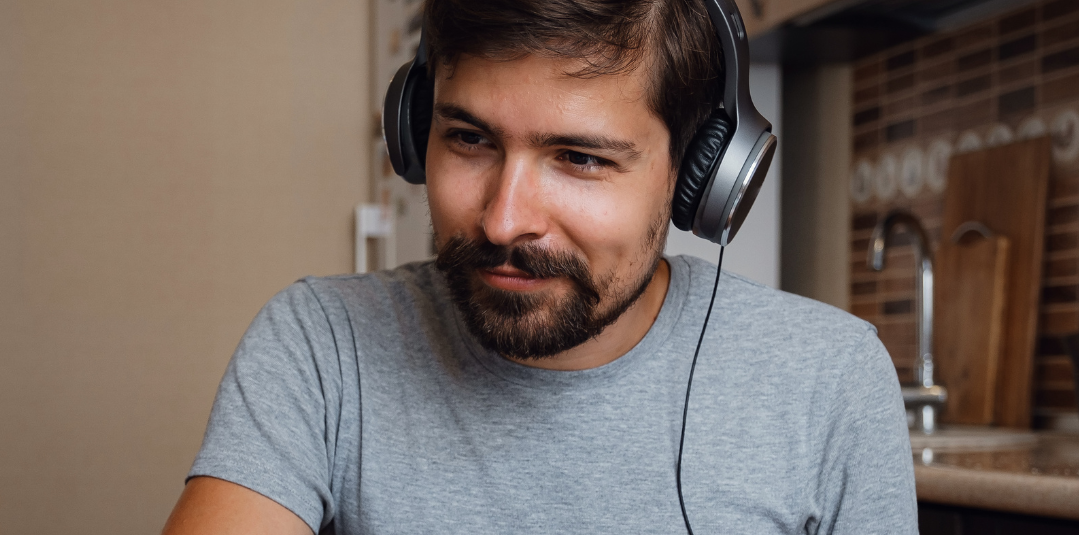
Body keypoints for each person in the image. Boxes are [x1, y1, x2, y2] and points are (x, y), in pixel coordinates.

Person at [163, 0, 916, 533]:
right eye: (469, 139)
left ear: (698, 174)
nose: (502, 218)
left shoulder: (830, 379)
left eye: (579, 158)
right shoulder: (321, 343)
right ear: (415, 128)